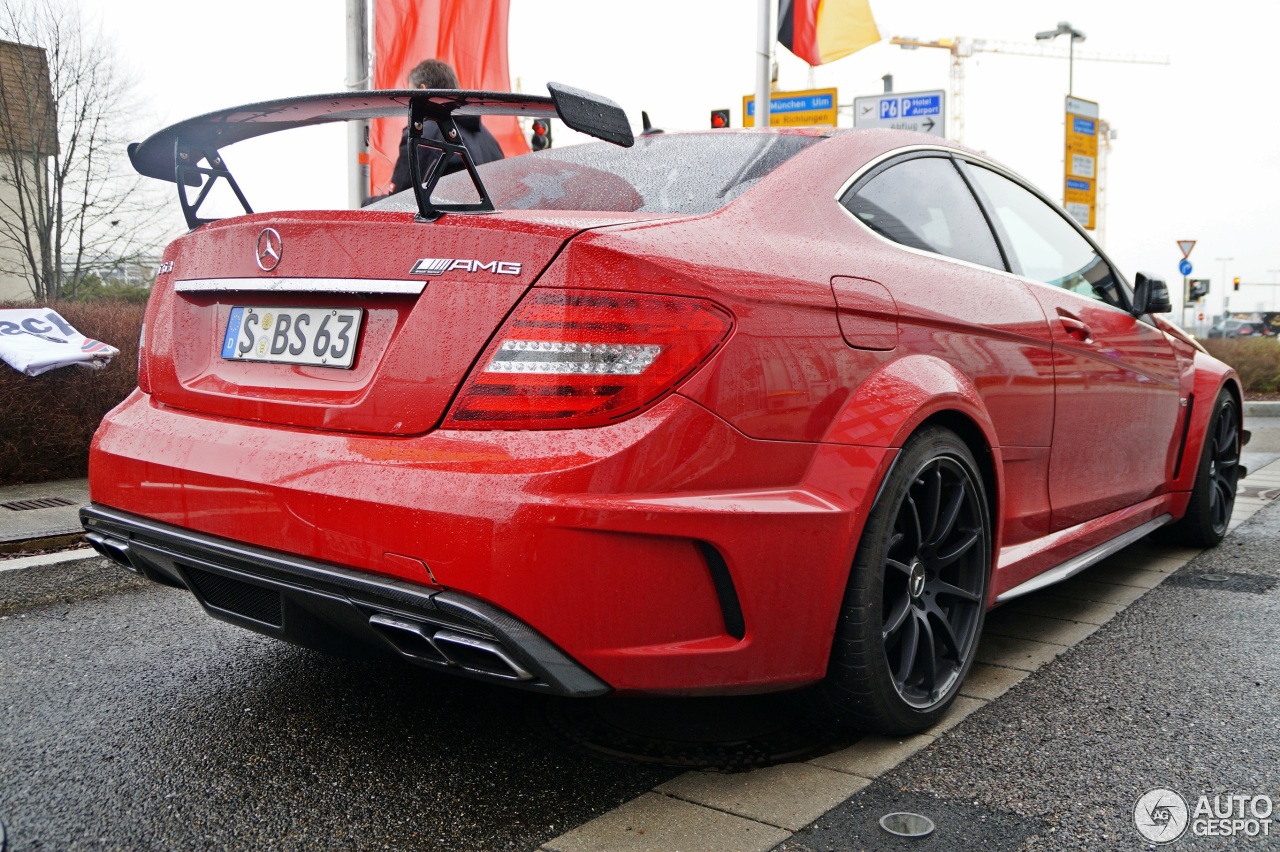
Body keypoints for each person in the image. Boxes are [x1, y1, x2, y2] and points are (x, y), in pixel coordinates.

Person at [389, 59, 505, 194]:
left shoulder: (422, 134)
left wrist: (366, 202)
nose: (408, 104)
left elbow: (397, 199)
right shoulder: (488, 139)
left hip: (447, 214)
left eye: (410, 94)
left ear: (422, 90)